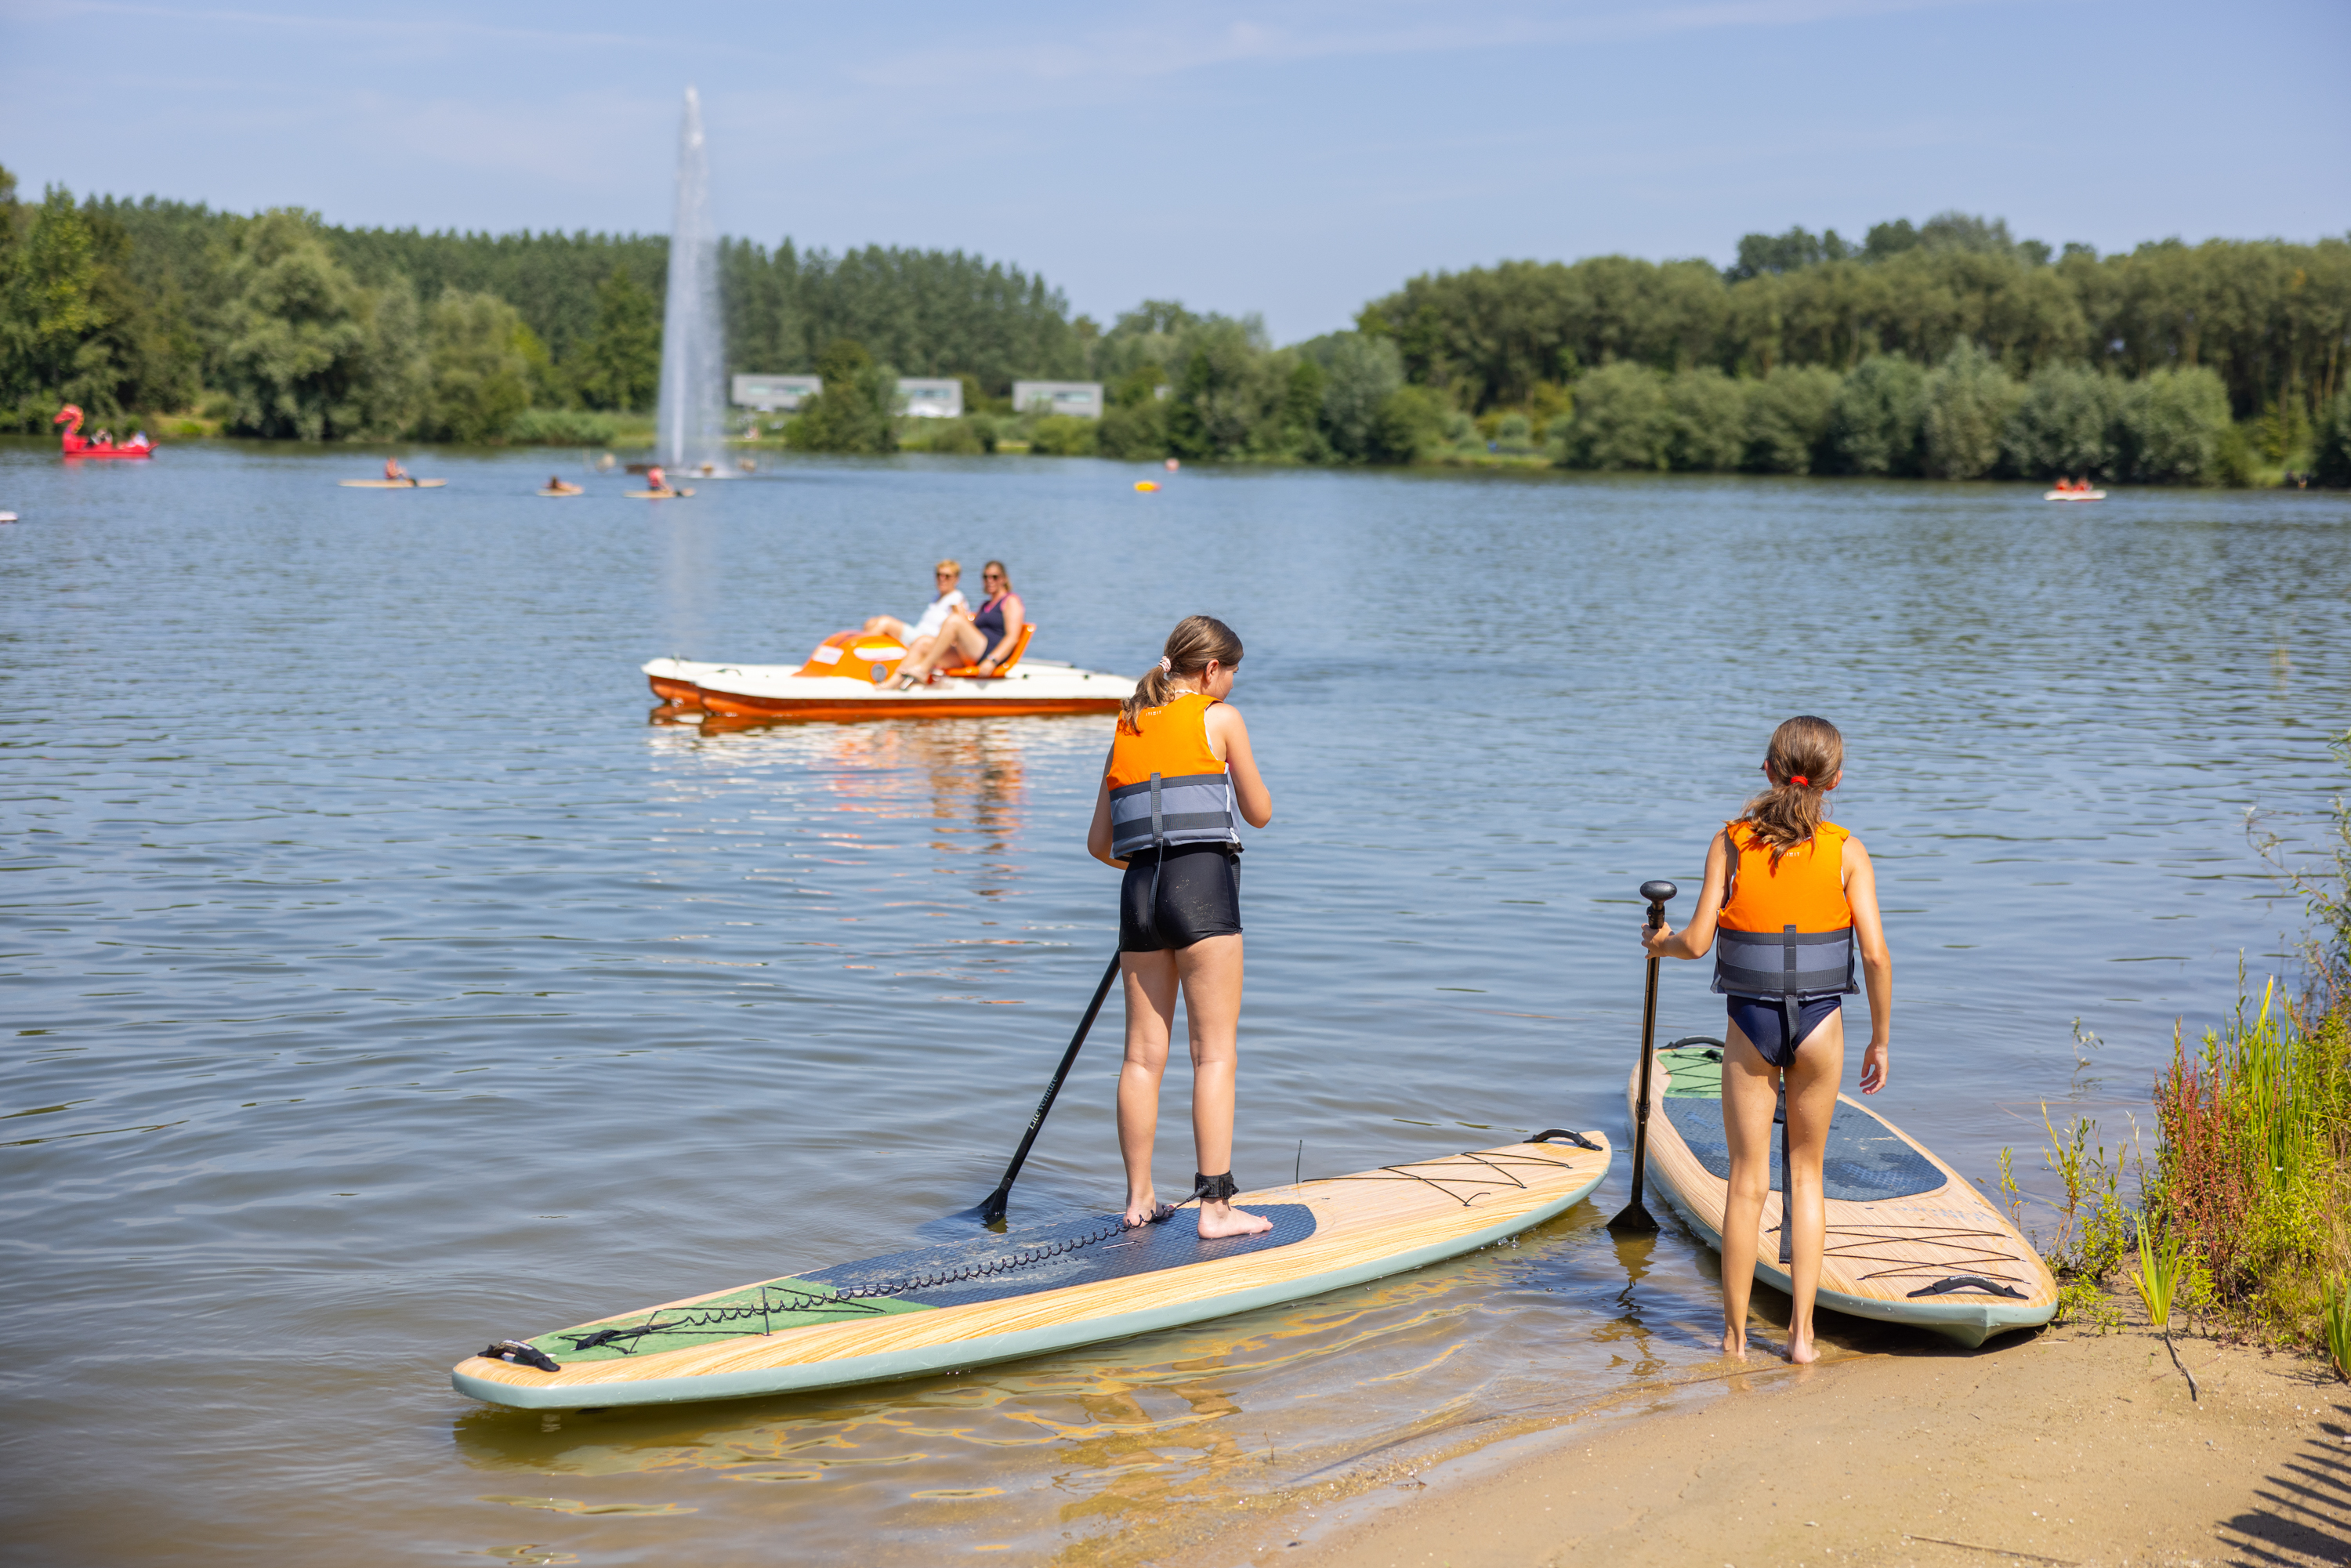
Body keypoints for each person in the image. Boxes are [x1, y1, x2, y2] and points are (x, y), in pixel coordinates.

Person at [1640, 716, 1892, 1364]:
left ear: (1767, 769)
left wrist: (1661, 943)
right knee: (1807, 1178)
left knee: (1747, 1180)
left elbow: (1698, 942)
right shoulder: (1848, 851)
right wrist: (1881, 1039)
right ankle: (1801, 1338)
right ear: (1836, 780)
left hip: (1750, 1025)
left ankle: (1732, 1341)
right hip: (1821, 1026)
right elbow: (1875, 955)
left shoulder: (1730, 843)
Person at [1085, 615, 1274, 1239]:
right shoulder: (1221, 718)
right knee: (1212, 1052)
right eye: (1232, 673)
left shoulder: (1128, 722)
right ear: (1212, 669)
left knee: (1142, 1056)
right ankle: (1215, 1208)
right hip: (1201, 888)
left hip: (1140, 892)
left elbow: (1098, 844)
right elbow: (1260, 812)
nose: (1232, 685)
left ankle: (1140, 1198)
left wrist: (1153, 868)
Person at [889, 559, 1023, 687]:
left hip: (988, 653)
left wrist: (992, 660)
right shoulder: (985, 604)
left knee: (954, 620)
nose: (989, 581)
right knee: (922, 642)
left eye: (994, 577)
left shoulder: (1011, 601)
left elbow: (1012, 637)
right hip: (972, 652)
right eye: (985, 577)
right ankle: (888, 686)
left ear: (1004, 579)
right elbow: (972, 628)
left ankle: (923, 669)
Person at [863, 560, 968, 648]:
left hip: (928, 641)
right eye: (938, 575)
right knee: (871, 622)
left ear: (956, 579)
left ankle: (861, 653)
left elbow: (962, 626)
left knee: (885, 622)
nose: (942, 579)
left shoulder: (955, 598)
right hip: (919, 635)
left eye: (947, 576)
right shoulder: (939, 597)